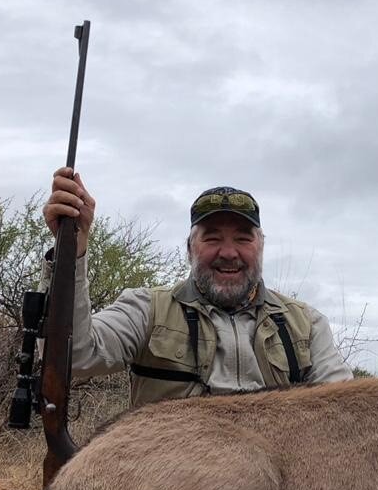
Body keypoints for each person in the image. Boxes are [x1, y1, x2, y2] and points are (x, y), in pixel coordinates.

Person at [43, 169, 352, 407]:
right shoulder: (147, 309)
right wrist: (72, 247)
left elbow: (346, 407)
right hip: (174, 484)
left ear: (260, 249)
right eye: (212, 238)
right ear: (189, 249)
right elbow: (76, 357)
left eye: (243, 239)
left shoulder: (306, 324)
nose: (229, 252)